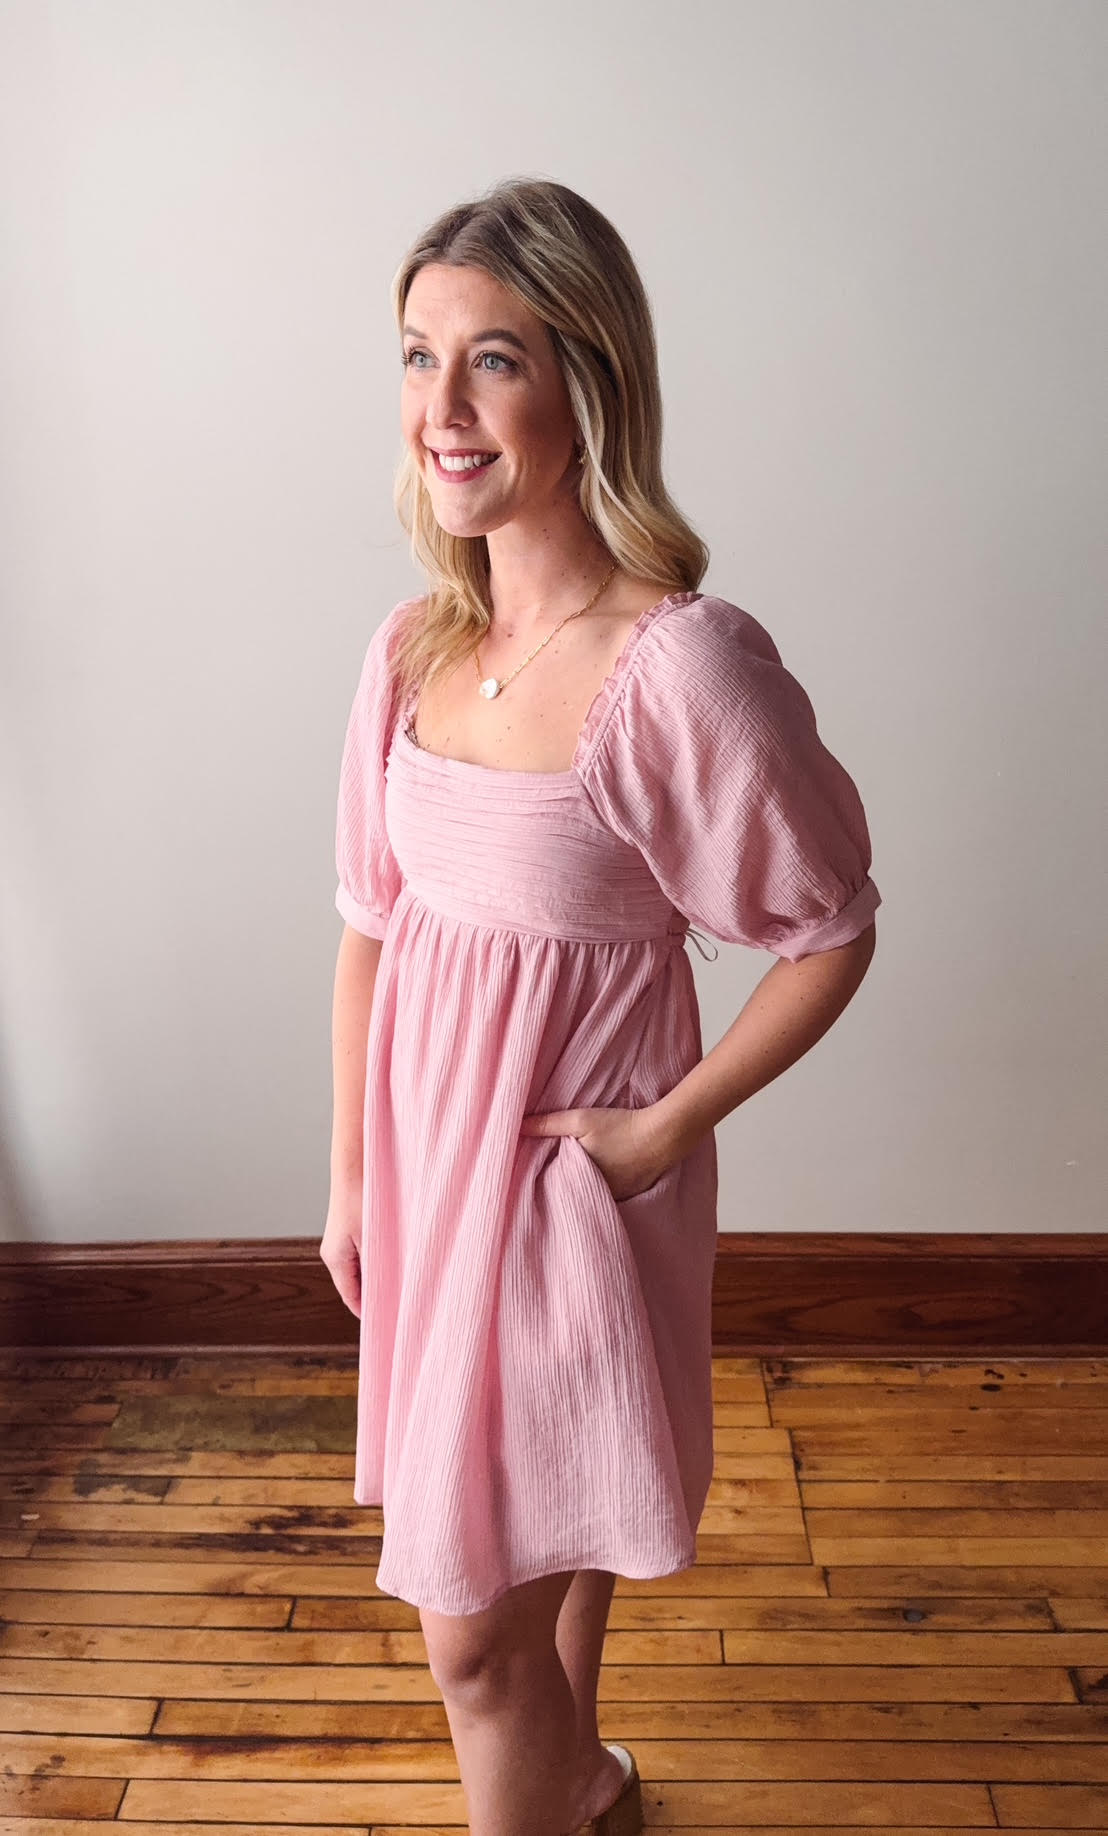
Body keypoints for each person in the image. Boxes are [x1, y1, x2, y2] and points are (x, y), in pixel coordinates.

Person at [322, 177, 881, 1836]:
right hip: (429, 1185)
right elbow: (371, 925)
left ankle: (559, 1798)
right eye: (418, 357)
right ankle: (593, 1798)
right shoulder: (412, 652)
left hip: (572, 1188)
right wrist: (353, 1175)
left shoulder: (683, 669)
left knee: (474, 1646)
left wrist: (664, 1129)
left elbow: (831, 927)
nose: (443, 408)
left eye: (492, 360)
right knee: (542, 1536)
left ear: (587, 381)